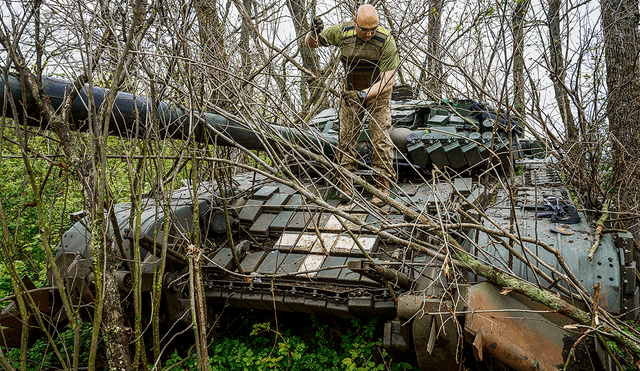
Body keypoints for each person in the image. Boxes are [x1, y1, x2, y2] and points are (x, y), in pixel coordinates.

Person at [306, 5, 399, 206]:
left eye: (373, 29)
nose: (369, 34)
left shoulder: (385, 40)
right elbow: (312, 44)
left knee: (380, 138)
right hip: (350, 92)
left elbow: (388, 80)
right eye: (364, 30)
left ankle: (382, 187)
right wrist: (312, 32)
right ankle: (346, 184)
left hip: (378, 94)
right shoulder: (342, 32)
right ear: (355, 23)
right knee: (346, 138)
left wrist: (363, 94)